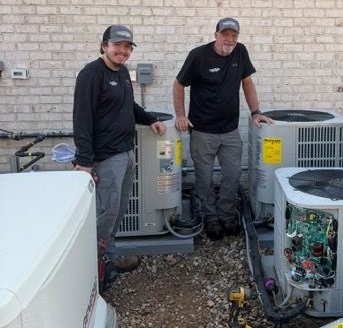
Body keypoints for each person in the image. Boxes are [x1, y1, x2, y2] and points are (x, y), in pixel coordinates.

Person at [73, 24, 166, 290]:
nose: (122, 51)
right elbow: (82, 119)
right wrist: (84, 162)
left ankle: (108, 259)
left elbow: (129, 106)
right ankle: (94, 274)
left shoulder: (123, 73)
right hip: (105, 158)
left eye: (127, 47)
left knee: (116, 212)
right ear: (104, 46)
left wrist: (150, 120)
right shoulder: (91, 74)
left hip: (125, 153)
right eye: (117, 46)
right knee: (104, 213)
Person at [173, 17, 272, 240]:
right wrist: (180, 115)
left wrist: (256, 112)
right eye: (225, 34)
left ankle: (226, 213)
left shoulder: (240, 52)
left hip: (230, 131)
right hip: (202, 131)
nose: (230, 39)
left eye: (234, 35)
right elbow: (179, 83)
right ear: (216, 34)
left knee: (232, 174)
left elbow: (247, 82)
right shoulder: (198, 55)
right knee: (204, 177)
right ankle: (209, 216)